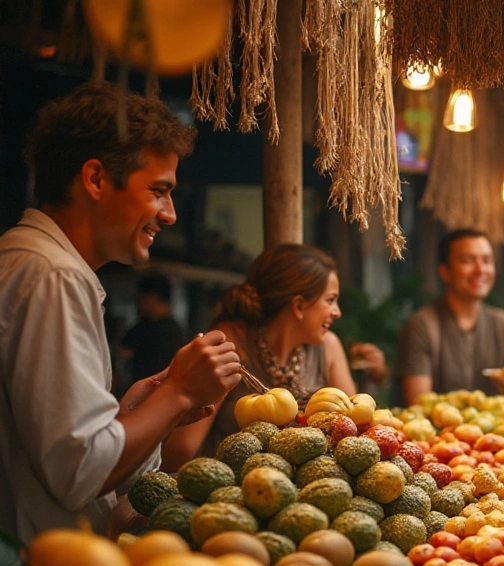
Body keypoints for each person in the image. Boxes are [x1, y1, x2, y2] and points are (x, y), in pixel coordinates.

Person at [0, 82, 241, 542]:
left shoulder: (36, 263)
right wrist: (179, 393)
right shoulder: (52, 276)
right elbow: (80, 473)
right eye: (158, 190)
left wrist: (141, 409)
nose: (169, 214)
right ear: (95, 180)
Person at [163, 244, 387, 465]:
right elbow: (181, 450)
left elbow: (354, 429)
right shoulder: (229, 343)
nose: (337, 312)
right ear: (298, 306)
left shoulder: (328, 346)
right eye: (330, 300)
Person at [397, 228, 504, 401]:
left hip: (497, 427)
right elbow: (418, 403)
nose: (480, 270)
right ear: (445, 271)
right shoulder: (422, 325)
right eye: (468, 260)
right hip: (440, 428)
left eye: (487, 260)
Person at [120, 274, 186, 385]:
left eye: (139, 298)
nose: (136, 303)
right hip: (168, 392)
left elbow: (121, 353)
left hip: (145, 393)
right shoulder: (176, 328)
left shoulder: (144, 328)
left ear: (152, 297)